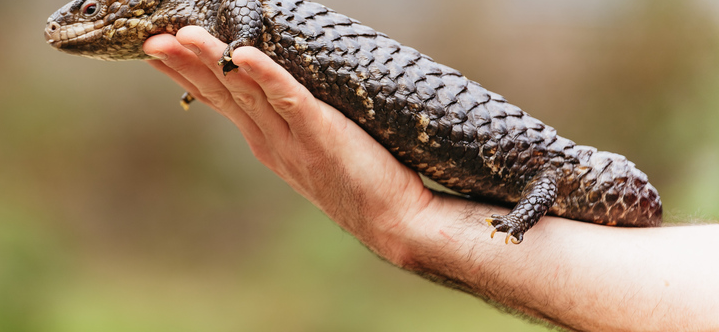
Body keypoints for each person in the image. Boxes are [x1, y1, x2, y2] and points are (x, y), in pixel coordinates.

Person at [143, 26, 718, 331]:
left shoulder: (558, 175)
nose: (635, 209)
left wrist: (425, 224)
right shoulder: (560, 171)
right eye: (623, 198)